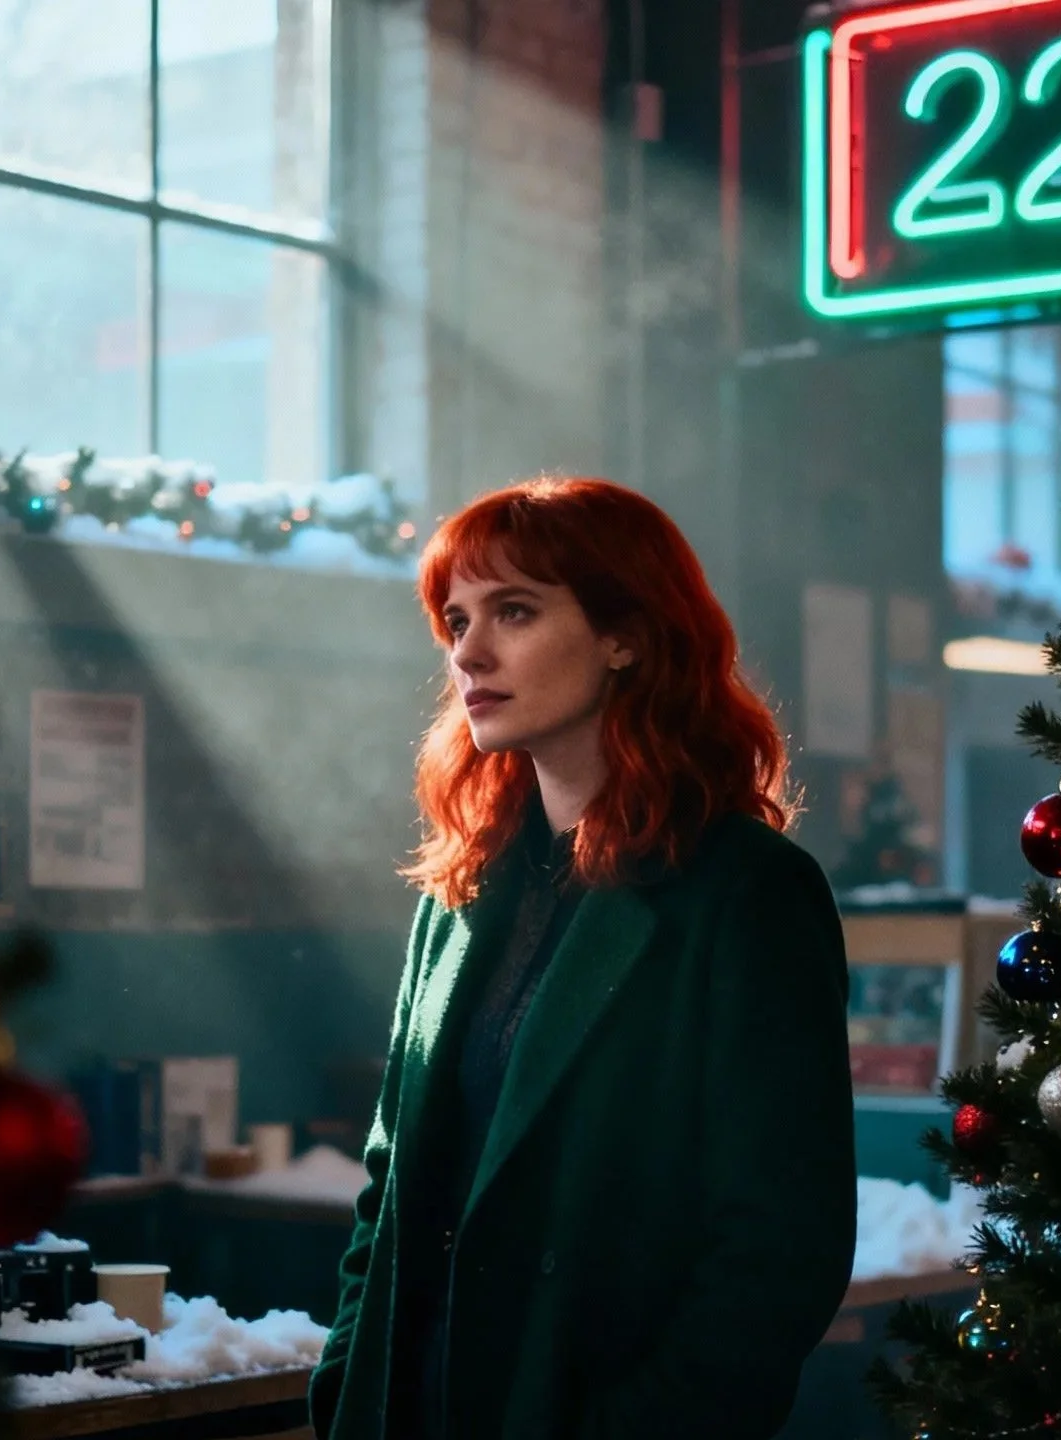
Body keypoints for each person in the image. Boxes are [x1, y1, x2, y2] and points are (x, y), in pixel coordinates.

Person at [308, 477, 857, 1440]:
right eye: (455, 620)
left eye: (513, 612)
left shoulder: (743, 890)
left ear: (625, 634)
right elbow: (385, 1188)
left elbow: (780, 1249)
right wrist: (345, 1381)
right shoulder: (463, 890)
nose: (469, 653)